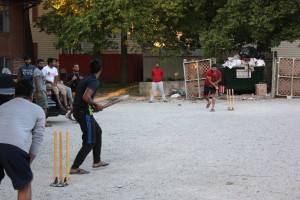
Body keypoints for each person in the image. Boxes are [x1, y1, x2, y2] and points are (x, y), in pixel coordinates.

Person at [0, 80, 45, 200]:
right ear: (32, 96)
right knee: (24, 185)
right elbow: (38, 138)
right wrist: (29, 159)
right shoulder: (38, 110)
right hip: (13, 148)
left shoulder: (2, 106)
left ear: (14, 95)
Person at [70, 59, 109, 175]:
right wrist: (96, 105)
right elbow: (86, 97)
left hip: (82, 111)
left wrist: (93, 107)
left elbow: (85, 98)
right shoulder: (93, 81)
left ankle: (96, 161)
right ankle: (74, 167)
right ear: (101, 69)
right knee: (89, 141)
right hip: (83, 112)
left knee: (98, 131)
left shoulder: (87, 78)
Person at [33, 59, 52, 127]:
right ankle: (43, 122)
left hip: (42, 90)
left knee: (43, 107)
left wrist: (45, 90)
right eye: (40, 64)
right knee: (44, 107)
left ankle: (41, 122)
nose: (42, 65)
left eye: (43, 64)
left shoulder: (41, 71)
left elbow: (43, 82)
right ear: (37, 64)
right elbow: (37, 82)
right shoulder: (37, 71)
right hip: (39, 91)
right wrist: (39, 92)